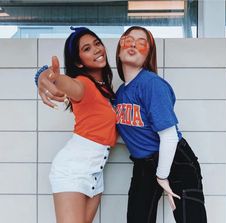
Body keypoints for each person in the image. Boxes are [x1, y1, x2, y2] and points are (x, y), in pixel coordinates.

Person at [115, 26, 207, 223]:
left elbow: (169, 135)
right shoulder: (121, 93)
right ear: (119, 47)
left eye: (141, 42)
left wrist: (162, 176)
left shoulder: (152, 84)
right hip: (143, 164)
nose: (133, 44)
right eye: (128, 39)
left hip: (176, 161)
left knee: (191, 219)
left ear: (149, 54)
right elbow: (132, 133)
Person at [35, 27, 117, 223]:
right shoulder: (83, 84)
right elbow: (67, 84)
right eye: (87, 48)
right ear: (78, 62)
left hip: (95, 170)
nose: (97, 49)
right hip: (73, 169)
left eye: (97, 43)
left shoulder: (105, 89)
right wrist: (46, 76)